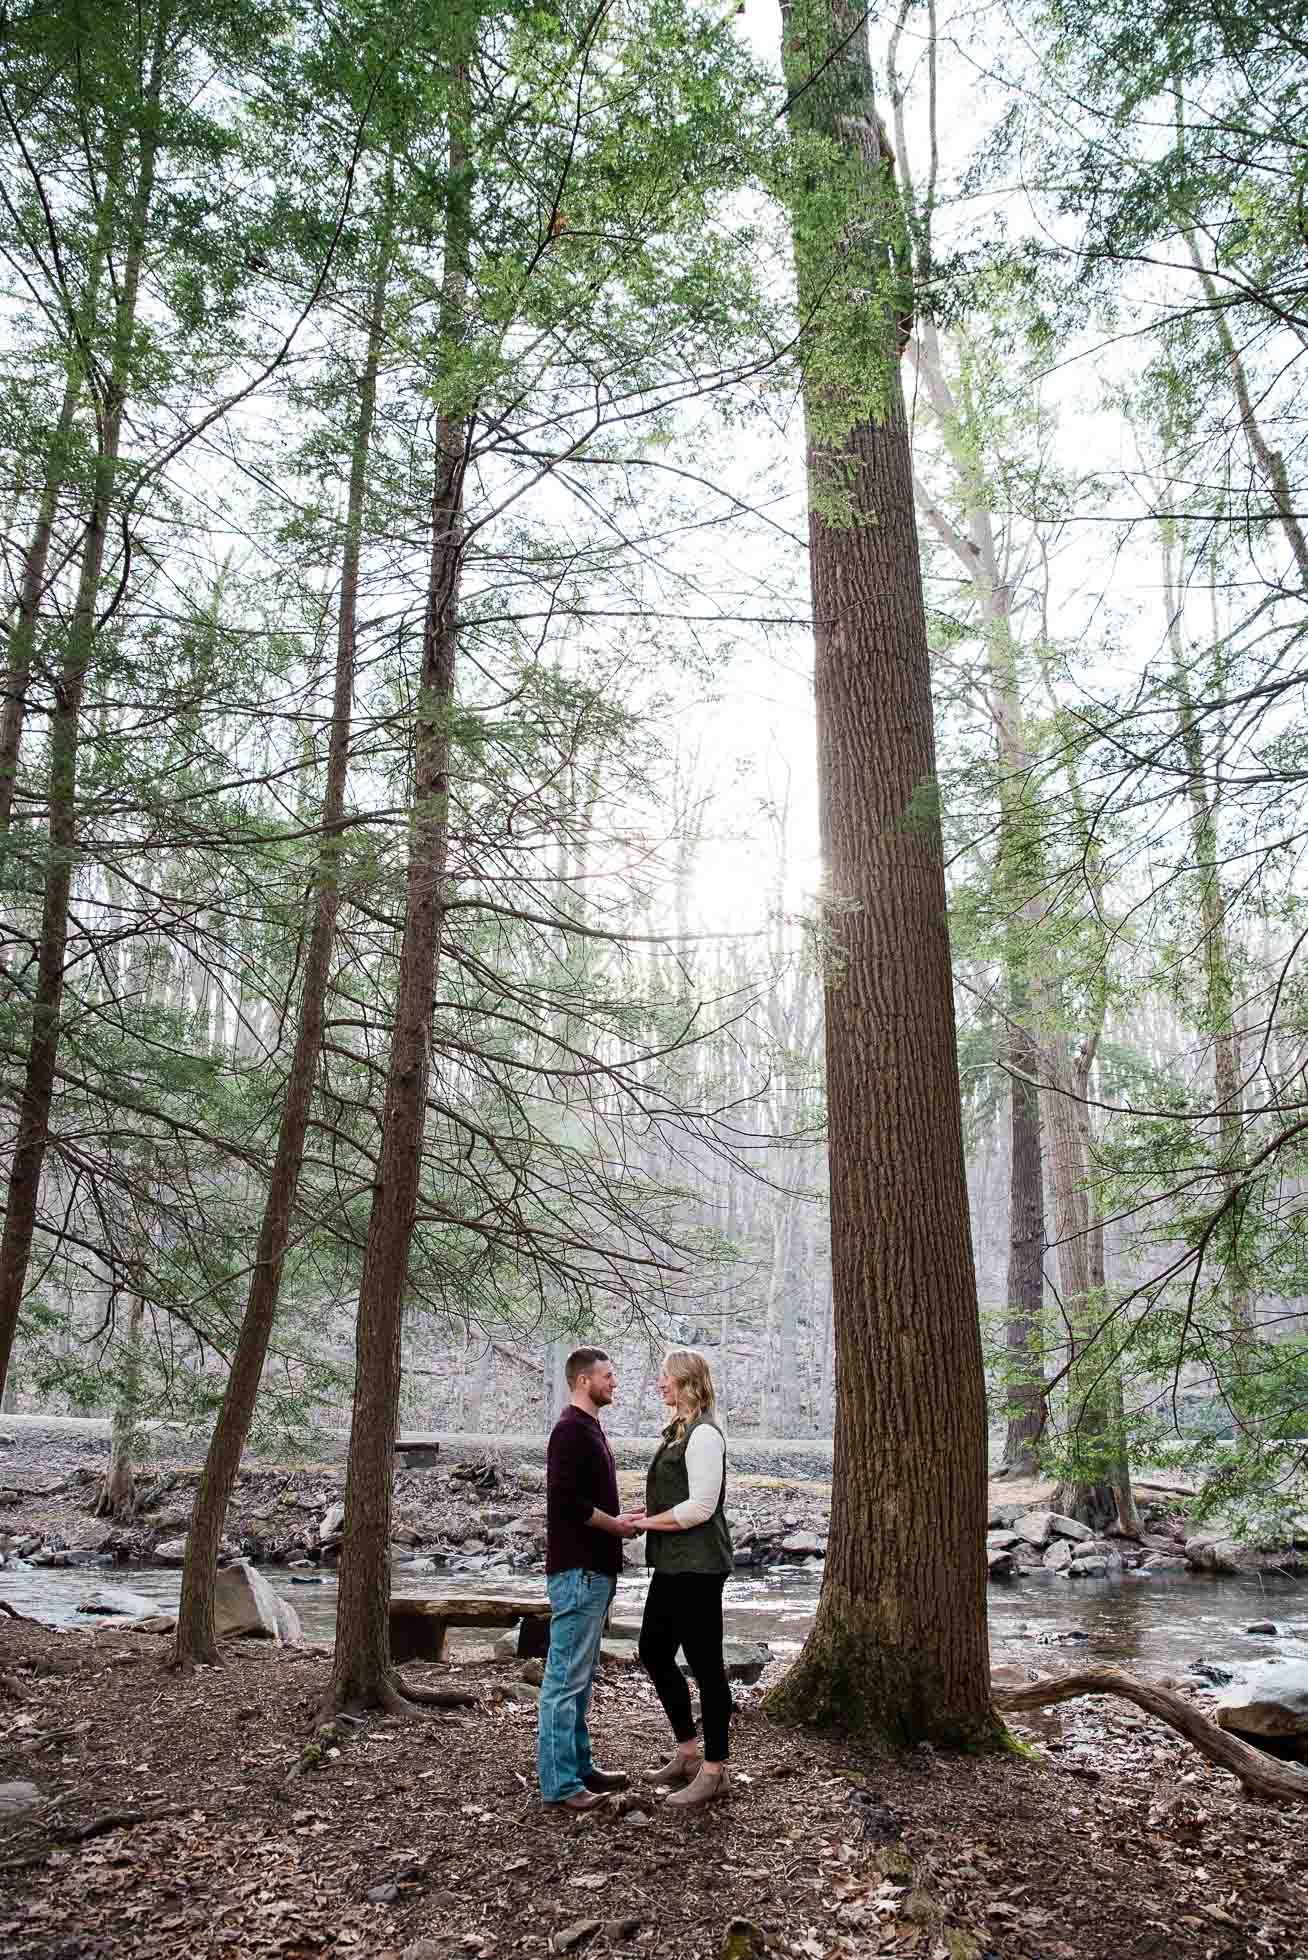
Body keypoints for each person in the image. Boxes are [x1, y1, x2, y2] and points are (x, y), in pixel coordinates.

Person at [537, 1346, 640, 1811]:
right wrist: (614, 1524)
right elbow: (565, 1503)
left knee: (581, 1677)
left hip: (595, 1571)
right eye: (607, 1375)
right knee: (564, 1680)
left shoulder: (590, 1428)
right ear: (583, 1380)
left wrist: (622, 1519)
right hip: (578, 1571)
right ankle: (560, 1785)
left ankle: (580, 1767)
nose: (614, 1382)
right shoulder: (568, 1431)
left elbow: (588, 1499)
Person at [633, 1347, 734, 1809]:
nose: (660, 1384)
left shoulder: (705, 1435)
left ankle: (715, 1771)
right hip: (672, 1564)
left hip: (699, 1567)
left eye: (666, 1378)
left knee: (707, 1666)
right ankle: (688, 1753)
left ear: (688, 1382)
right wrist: (637, 1516)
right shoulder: (678, 1431)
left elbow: (699, 1508)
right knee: (653, 1651)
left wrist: (643, 1524)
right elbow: (670, 1503)